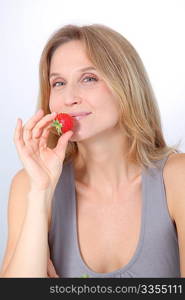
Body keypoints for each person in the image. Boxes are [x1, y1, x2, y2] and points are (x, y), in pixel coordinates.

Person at [0, 23, 185, 278]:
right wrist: (40, 192)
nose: (69, 98)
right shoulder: (29, 185)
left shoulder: (177, 178)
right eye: (58, 83)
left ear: (126, 86)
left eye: (89, 78)